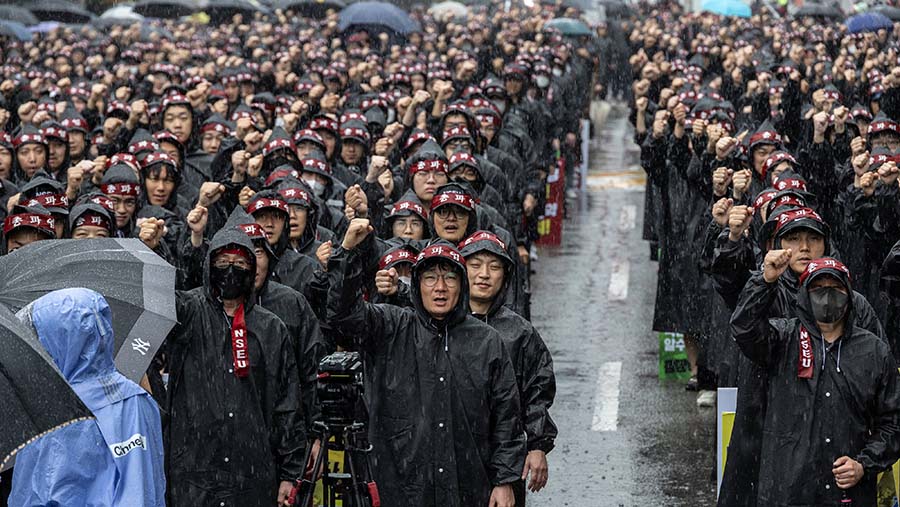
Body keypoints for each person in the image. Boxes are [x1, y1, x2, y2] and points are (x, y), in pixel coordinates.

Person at [328, 218, 526, 507]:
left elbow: (506, 418)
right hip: (400, 484)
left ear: (462, 285)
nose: (440, 288)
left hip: (469, 485)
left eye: (450, 278)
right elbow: (343, 314)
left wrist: (505, 481)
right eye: (430, 278)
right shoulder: (391, 326)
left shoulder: (487, 341)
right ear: (418, 285)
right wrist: (346, 252)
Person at [732, 256, 900, 505]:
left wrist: (864, 464)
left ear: (849, 294)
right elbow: (743, 328)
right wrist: (764, 281)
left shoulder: (874, 351)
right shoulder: (782, 339)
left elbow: (893, 423)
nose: (827, 296)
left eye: (836, 288)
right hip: (788, 491)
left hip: (848, 494)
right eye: (818, 288)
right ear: (804, 295)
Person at [164, 219, 306, 506]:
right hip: (194, 470)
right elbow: (161, 293)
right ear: (209, 266)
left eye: (240, 264)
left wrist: (291, 473)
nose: (231, 270)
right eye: (223, 261)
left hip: (251, 471)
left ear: (252, 270)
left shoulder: (271, 328)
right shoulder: (188, 312)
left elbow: (287, 403)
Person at [10, 288, 166, 507]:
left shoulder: (128, 403)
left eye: (40, 336)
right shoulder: (45, 400)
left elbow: (137, 492)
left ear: (60, 337)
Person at [458, 230, 557, 506]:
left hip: (505, 453)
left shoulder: (520, 332)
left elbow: (537, 392)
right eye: (475, 265)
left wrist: (537, 445)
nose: (484, 274)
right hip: (452, 453)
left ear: (505, 274)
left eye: (494, 266)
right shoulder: (441, 324)